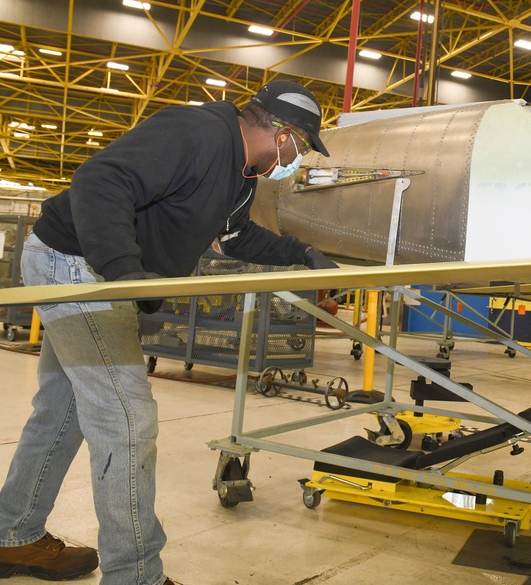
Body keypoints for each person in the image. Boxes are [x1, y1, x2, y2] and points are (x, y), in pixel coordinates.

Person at [0, 81, 339, 585]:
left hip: (82, 266)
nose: (298, 161)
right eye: (302, 148)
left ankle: (14, 537)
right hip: (77, 266)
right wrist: (123, 271)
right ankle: (135, 576)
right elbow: (100, 179)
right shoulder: (198, 133)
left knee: (62, 409)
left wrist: (302, 253)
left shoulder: (241, 172)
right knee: (127, 420)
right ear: (282, 133)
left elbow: (235, 235)